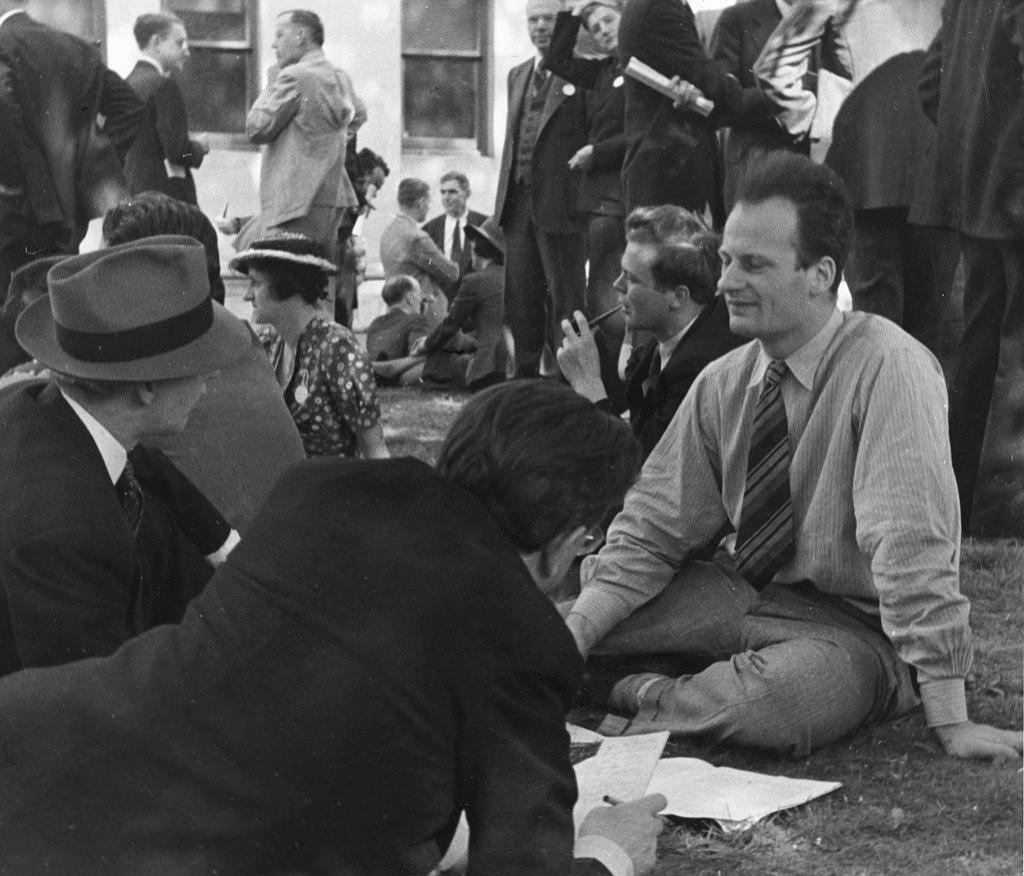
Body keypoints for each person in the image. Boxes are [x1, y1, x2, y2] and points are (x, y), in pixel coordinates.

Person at [0, 380, 666, 875]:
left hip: (44, 748)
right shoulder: (526, 636)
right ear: (575, 536)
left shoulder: (314, 490)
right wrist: (610, 851)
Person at [565, 152, 1023, 763]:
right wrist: (574, 632)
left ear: (819, 273)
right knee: (550, 626)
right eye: (726, 259)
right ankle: (610, 673)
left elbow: (912, 543)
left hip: (852, 627)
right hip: (737, 594)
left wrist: (950, 715)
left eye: (752, 264)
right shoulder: (723, 382)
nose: (725, 281)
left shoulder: (891, 367)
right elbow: (650, 530)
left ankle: (623, 688)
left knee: (776, 705)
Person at [0, 235, 249, 675]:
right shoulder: (68, 532)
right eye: (198, 361)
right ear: (146, 386)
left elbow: (148, 464)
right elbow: (88, 710)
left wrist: (225, 546)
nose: (211, 374)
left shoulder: (43, 407)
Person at [753, 0, 959, 368]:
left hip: (864, 170)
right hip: (937, 170)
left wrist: (815, 120)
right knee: (932, 328)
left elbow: (772, 67)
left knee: (878, 328)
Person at [101, 192, 306, 533]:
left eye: (106, 273)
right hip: (286, 548)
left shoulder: (147, 361)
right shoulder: (239, 336)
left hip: (218, 570)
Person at [919, 0, 1024, 536]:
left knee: (983, 343)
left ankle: (964, 494)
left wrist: (984, 146)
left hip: (981, 195)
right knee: (1012, 347)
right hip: (1013, 194)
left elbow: (931, 85)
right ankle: (1003, 506)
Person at [558, 205, 743, 459]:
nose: (617, 285)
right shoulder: (670, 335)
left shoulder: (699, 369)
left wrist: (588, 384)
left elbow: (636, 468)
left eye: (632, 279)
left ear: (677, 296)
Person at [0, 0, 144, 298]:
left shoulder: (3, 45)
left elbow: (7, 121)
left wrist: (14, 185)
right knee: (49, 314)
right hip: (66, 219)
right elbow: (129, 108)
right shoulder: (76, 47)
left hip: (12, 218)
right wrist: (85, 171)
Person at [494, 0, 588, 378]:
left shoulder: (580, 73)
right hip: (517, 206)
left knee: (568, 302)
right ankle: (525, 384)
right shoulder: (518, 73)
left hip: (561, 206)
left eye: (548, 19)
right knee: (522, 300)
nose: (540, 27)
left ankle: (572, 382)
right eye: (533, 20)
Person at [232, 233, 388, 460]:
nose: (247, 295)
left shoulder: (337, 348)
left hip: (331, 487)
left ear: (287, 284)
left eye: (255, 283)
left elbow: (374, 448)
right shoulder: (267, 341)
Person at [544, 0, 629, 387]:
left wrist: (599, 153)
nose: (603, 31)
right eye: (595, 28)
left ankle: (622, 390)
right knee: (601, 302)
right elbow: (557, 59)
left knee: (615, 303)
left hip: (626, 199)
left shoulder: (643, 67)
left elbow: (649, 132)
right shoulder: (602, 72)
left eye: (609, 20)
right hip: (599, 204)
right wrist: (574, 13)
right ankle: (610, 389)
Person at [244, 9, 359, 283]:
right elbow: (359, 114)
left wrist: (272, 80)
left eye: (279, 35)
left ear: (300, 36)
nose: (273, 44)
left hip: (294, 201)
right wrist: (326, 147)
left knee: (285, 285)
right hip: (331, 195)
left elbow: (256, 128)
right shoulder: (339, 76)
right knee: (320, 286)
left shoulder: (292, 76)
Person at [616, 0, 743, 220]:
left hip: (663, 164)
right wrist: (731, 84)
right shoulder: (659, 6)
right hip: (671, 166)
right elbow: (707, 78)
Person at [710, 0, 807, 212]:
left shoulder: (833, 17)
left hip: (820, 166)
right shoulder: (736, 19)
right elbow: (720, 103)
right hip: (758, 169)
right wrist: (793, 91)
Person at [124, 14, 208, 205]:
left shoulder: (125, 84)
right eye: (180, 43)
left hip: (131, 198)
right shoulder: (164, 86)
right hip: (164, 202)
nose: (186, 52)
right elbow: (178, 153)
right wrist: (199, 149)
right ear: (157, 42)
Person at [422, 218, 510, 391]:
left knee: (437, 357)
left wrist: (425, 345)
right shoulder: (517, 278)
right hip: (517, 364)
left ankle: (382, 368)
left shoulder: (475, 280)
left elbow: (450, 325)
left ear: (480, 249)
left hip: (490, 370)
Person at [380, 177, 460, 322]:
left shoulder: (388, 232)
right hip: (424, 315)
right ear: (421, 202)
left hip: (396, 310)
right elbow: (451, 273)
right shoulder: (417, 238)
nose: (429, 208)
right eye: (428, 203)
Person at [365, 274, 433, 386]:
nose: (422, 299)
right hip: (401, 376)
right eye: (419, 294)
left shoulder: (374, 323)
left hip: (377, 375)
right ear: (410, 298)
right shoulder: (416, 320)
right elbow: (419, 352)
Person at [421, 171, 487, 282]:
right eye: (443, 192)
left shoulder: (483, 224)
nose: (446, 197)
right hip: (443, 295)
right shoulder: (429, 229)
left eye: (452, 192)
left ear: (467, 193)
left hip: (475, 294)